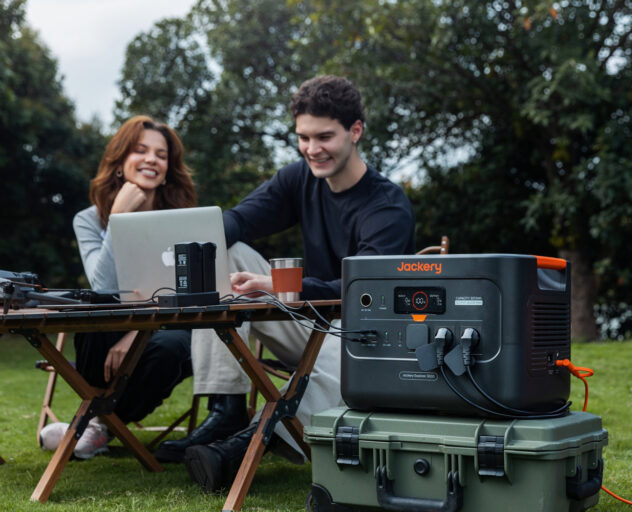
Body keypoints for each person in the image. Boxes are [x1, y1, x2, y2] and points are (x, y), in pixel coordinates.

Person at [154, 75, 415, 492]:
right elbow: (240, 219)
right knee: (228, 251)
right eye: (303, 137)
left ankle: (247, 444)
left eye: (324, 137)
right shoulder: (300, 179)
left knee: (340, 350)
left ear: (355, 131)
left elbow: (365, 291)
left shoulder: (387, 206)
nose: (312, 149)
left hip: (365, 335)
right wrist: (192, 246)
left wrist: (281, 286)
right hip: (308, 321)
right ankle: (226, 409)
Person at [39, 115, 197, 459]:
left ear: (168, 170)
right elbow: (103, 285)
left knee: (172, 345)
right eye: (140, 150)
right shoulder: (88, 219)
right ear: (121, 161)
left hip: (166, 331)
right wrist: (118, 218)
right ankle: (97, 426)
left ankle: (95, 426)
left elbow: (188, 295)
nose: (151, 159)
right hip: (106, 330)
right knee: (94, 313)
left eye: (161, 155)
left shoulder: (182, 220)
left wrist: (138, 333)